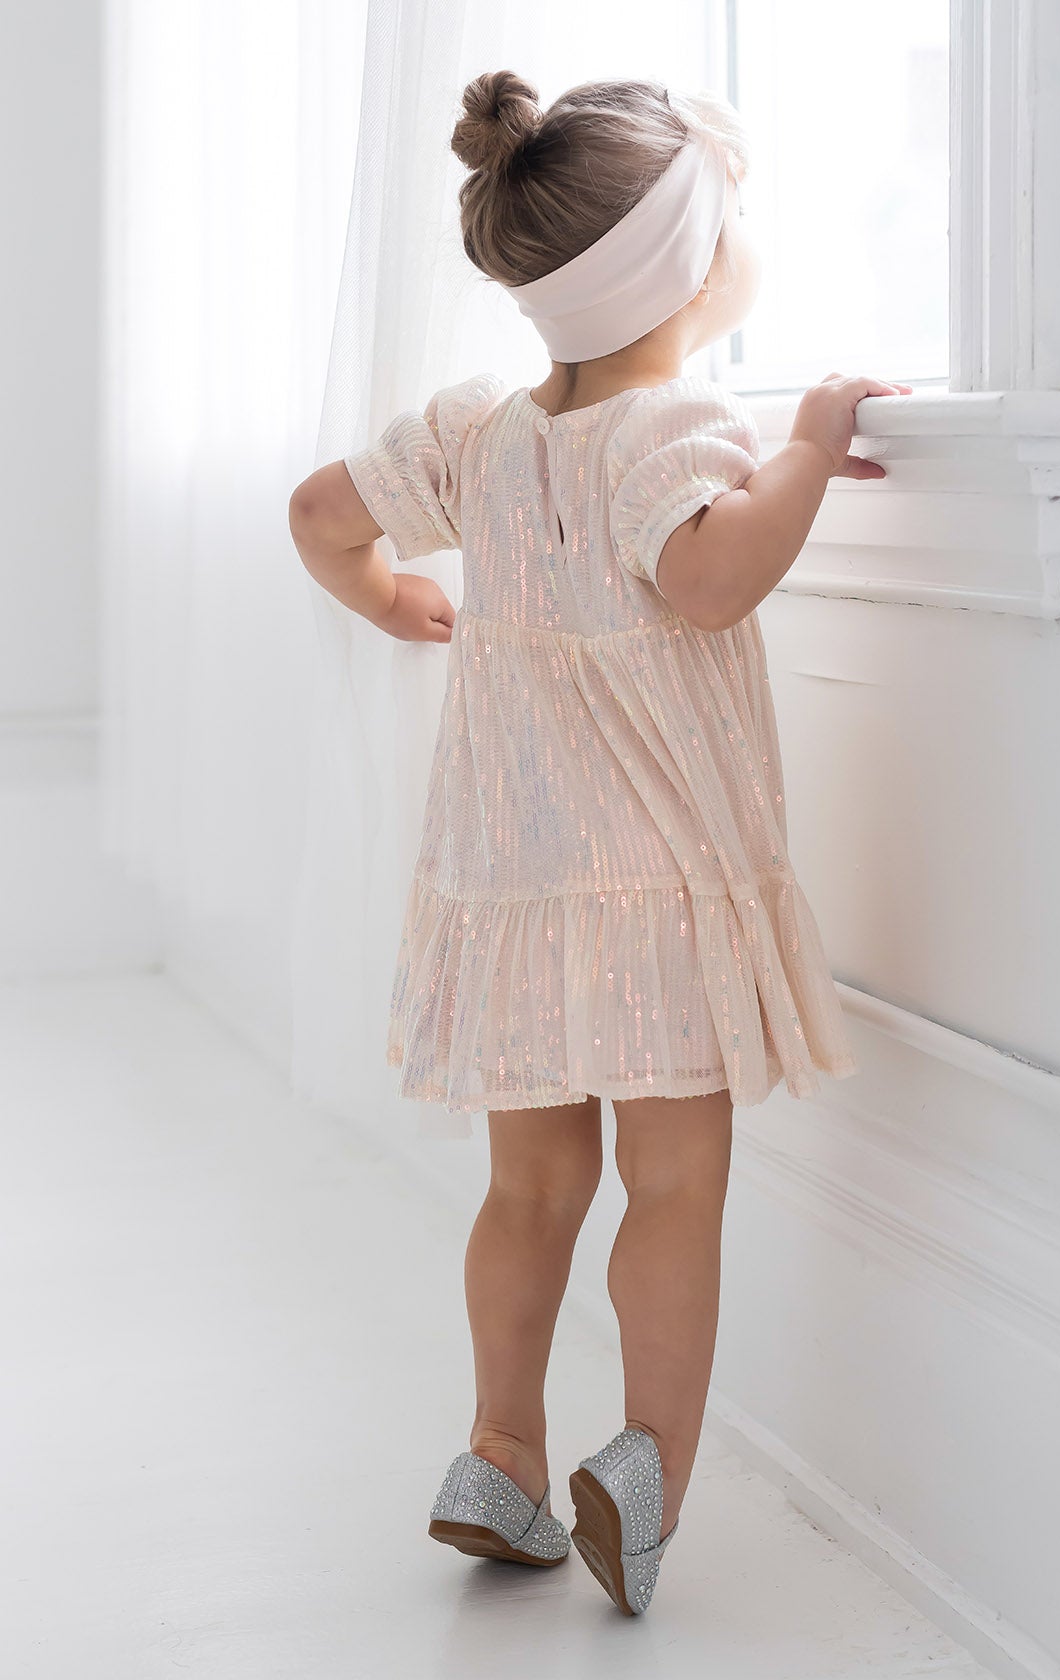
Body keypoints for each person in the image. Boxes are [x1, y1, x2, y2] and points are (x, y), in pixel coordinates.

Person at [289, 70, 911, 1617]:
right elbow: (709, 579)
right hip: (654, 896)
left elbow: (318, 515)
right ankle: (646, 1473)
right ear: (686, 267)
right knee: (674, 1184)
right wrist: (809, 449)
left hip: (508, 889)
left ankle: (497, 1453)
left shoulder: (477, 436)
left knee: (530, 1188)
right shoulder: (675, 429)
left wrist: (392, 594)